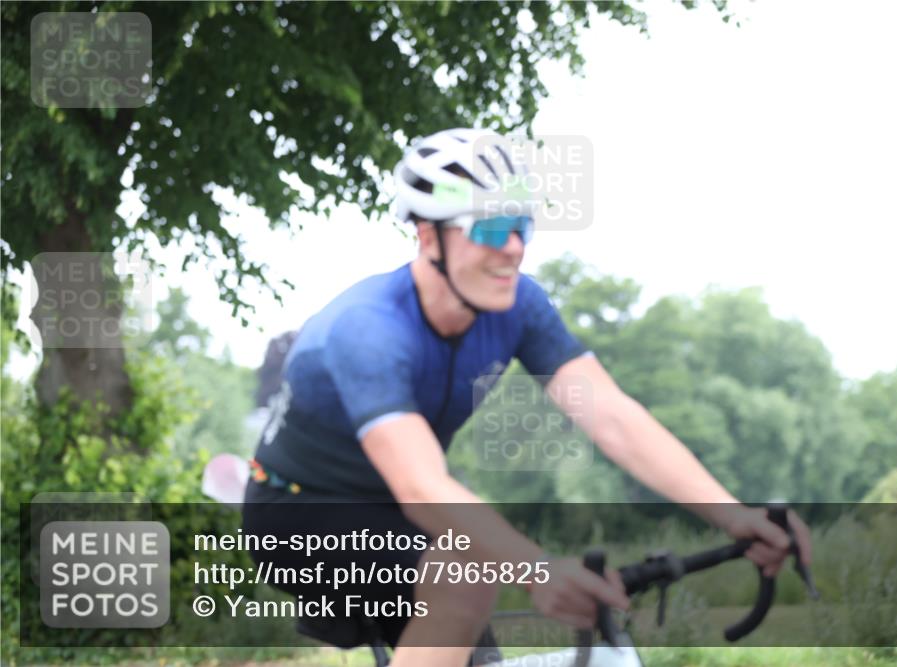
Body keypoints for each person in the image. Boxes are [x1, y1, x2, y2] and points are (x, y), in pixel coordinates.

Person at [242, 128, 812, 667]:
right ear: (428, 235)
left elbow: (611, 417)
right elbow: (421, 486)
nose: (513, 247)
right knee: (467, 576)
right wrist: (541, 572)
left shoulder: (517, 304)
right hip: (295, 509)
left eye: (522, 226)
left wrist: (735, 515)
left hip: (389, 509)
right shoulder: (367, 329)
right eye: (490, 229)